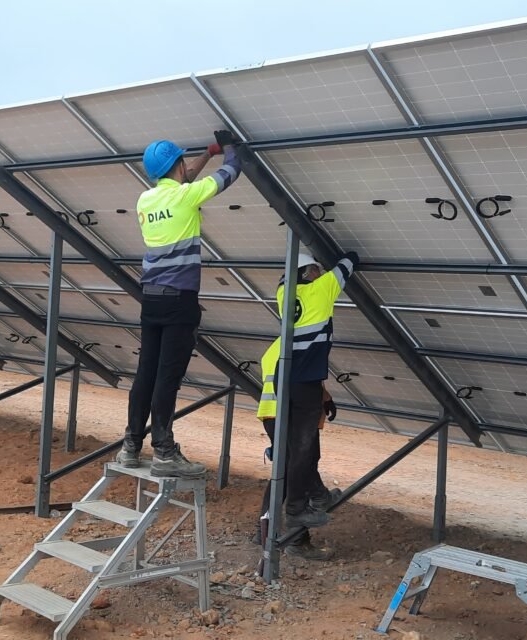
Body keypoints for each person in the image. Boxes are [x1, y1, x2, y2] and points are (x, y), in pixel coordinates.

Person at [116, 130, 242, 478]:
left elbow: (182, 184)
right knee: (167, 378)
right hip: (180, 303)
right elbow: (233, 170)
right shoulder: (187, 196)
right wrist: (228, 148)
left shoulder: (145, 201)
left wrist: (205, 155)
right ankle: (164, 451)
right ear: (178, 165)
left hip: (151, 301)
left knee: (147, 373)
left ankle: (130, 445)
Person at [257, 250, 357, 533]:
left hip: (290, 385)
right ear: (306, 274)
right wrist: (343, 255)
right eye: (316, 269)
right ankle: (293, 512)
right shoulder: (320, 291)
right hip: (294, 392)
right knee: (297, 456)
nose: (321, 273)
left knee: (305, 453)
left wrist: (323, 394)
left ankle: (317, 497)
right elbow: (349, 262)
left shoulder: (284, 296)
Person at [255, 342, 340, 561]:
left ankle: (264, 531)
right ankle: (297, 540)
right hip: (291, 413)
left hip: (274, 413)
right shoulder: (303, 343)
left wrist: (324, 396)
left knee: (286, 471)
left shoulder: (279, 345)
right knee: (301, 468)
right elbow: (300, 378)